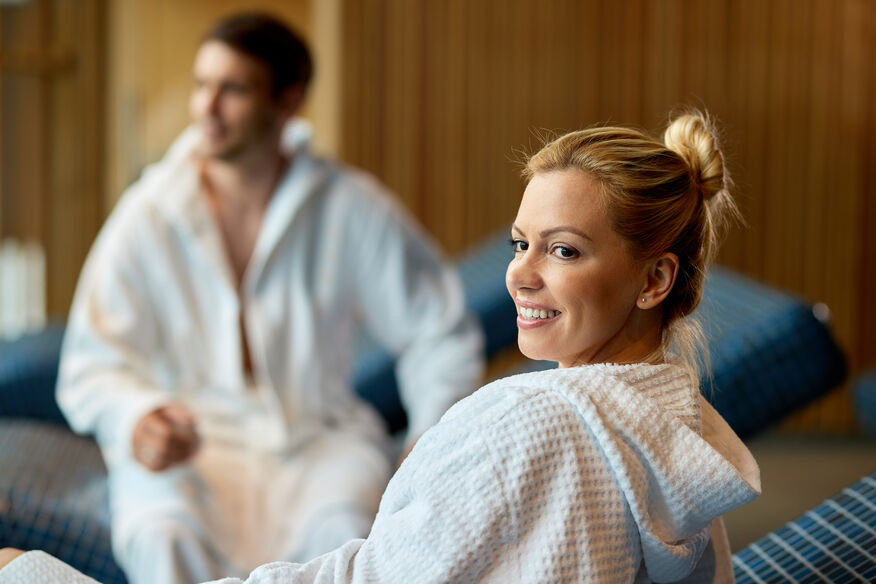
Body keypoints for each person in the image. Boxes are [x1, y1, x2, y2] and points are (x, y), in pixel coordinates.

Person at [0, 108, 760, 583]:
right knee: (159, 527)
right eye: (519, 242)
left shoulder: (531, 428)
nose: (518, 276)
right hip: (206, 451)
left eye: (563, 251)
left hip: (317, 453)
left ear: (654, 280)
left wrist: (427, 434)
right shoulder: (675, 436)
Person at [27, 12, 484, 584]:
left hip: (318, 437)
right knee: (161, 534)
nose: (206, 108)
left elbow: (437, 329)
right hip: (193, 448)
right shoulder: (151, 212)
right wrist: (136, 418)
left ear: (288, 101)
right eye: (201, 85)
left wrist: (428, 435)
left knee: (347, 530)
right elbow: (93, 361)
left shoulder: (348, 206)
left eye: (233, 90)